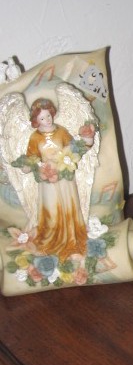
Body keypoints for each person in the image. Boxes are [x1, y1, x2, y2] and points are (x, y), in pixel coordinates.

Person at [14, 98, 94, 261]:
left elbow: (75, 148)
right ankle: (51, 239)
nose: (47, 120)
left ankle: (71, 241)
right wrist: (30, 165)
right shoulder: (35, 138)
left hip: (64, 177)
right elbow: (32, 156)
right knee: (51, 209)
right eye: (42, 118)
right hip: (47, 179)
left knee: (68, 207)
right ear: (36, 121)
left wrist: (87, 140)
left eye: (48, 116)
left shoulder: (61, 132)